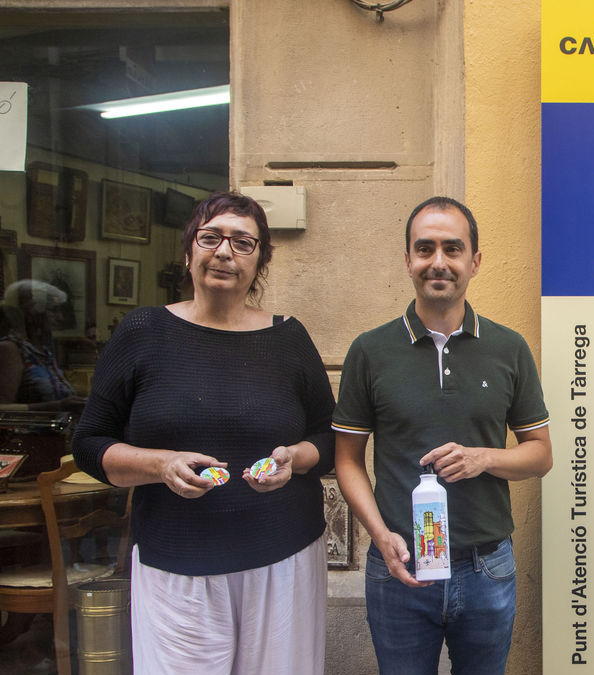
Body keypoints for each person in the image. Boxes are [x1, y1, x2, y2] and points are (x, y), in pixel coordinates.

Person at [72, 191, 335, 675]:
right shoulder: (142, 331)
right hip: (177, 564)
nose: (224, 252)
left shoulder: (289, 338)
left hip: (283, 560)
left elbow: (330, 440)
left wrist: (294, 458)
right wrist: (159, 464)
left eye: (242, 242)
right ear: (188, 250)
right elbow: (89, 444)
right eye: (210, 237)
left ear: (260, 260)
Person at [333, 196, 552, 675]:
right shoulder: (369, 351)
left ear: (474, 261)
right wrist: (379, 534)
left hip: (487, 568)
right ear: (407, 259)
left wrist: (483, 459)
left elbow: (540, 456)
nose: (438, 261)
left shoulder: (509, 348)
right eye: (425, 248)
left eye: (452, 249)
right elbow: (346, 459)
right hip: (400, 566)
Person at [0, 279, 87, 413]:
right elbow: (2, 410)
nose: (60, 317)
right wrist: (58, 406)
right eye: (53, 310)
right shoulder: (10, 350)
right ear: (31, 314)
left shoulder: (44, 351)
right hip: (27, 434)